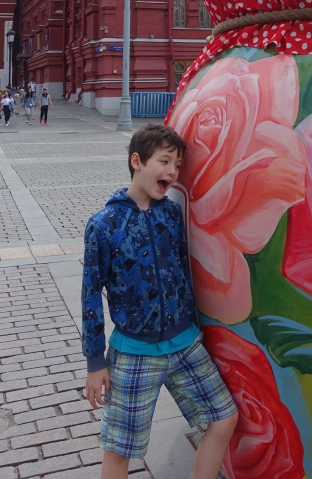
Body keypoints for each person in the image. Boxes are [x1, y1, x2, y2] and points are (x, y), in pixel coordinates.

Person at [82, 125, 238, 479]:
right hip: (135, 352)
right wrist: (94, 361)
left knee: (224, 416)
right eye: (164, 161)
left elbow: (183, 271)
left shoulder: (170, 214)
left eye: (177, 165)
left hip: (185, 345)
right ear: (136, 161)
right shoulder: (104, 225)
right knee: (120, 449)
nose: (172, 171)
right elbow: (90, 295)